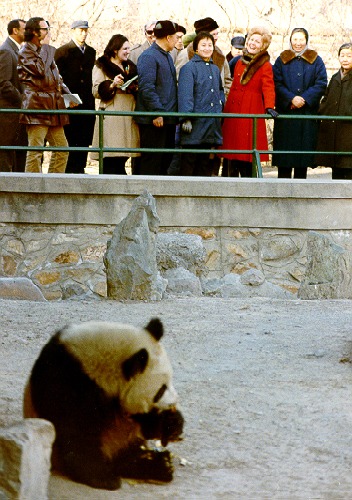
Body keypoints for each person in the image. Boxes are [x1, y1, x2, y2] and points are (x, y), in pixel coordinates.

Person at [219, 26, 277, 177]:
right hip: (234, 109)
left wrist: (269, 106)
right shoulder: (239, 61)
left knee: (246, 152)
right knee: (230, 152)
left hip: (250, 109)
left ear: (263, 46)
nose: (252, 43)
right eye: (251, 39)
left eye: (257, 41)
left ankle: (247, 183)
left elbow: (268, 87)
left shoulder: (265, 65)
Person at [18, 17, 73, 173]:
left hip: (53, 106)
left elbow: (57, 78)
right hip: (37, 105)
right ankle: (32, 189)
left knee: (62, 148)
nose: (48, 32)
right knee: (35, 151)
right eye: (45, 29)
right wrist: (47, 48)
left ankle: (53, 185)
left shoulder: (45, 51)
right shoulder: (26, 51)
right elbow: (39, 70)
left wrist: (68, 95)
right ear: (35, 32)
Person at [272, 28, 327, 179]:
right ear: (290, 40)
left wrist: (304, 99)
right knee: (285, 158)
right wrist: (291, 98)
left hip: (306, 114)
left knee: (301, 159)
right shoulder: (281, 59)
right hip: (286, 114)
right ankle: (281, 193)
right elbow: (276, 82)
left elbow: (321, 83)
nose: (298, 43)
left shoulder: (316, 59)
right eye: (295, 39)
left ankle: (300, 191)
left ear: (306, 40)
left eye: (301, 39)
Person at [90, 34, 139, 175]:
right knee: (111, 156)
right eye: (125, 48)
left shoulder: (130, 67)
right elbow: (95, 90)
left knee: (124, 155)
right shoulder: (101, 66)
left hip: (129, 114)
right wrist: (112, 84)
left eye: (129, 48)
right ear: (115, 49)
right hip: (112, 115)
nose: (128, 51)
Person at [135, 20, 179, 175]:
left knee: (164, 160)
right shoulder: (149, 57)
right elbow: (147, 88)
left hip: (167, 118)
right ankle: (147, 196)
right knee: (152, 161)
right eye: (175, 37)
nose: (177, 40)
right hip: (155, 121)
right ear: (168, 37)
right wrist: (157, 112)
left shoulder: (165, 56)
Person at [178, 32, 224, 176]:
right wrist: (186, 117)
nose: (207, 48)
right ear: (196, 48)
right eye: (203, 45)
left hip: (210, 123)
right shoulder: (189, 68)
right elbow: (186, 94)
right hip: (194, 124)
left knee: (205, 164)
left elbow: (220, 91)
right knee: (189, 163)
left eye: (210, 45)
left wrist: (220, 107)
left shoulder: (215, 69)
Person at [54, 20, 96, 174]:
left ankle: (80, 169)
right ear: (72, 31)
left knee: (84, 140)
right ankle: (69, 171)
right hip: (70, 103)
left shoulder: (91, 52)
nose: (83, 34)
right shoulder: (62, 52)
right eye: (80, 30)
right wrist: (67, 98)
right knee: (70, 139)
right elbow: (57, 79)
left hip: (87, 103)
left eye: (85, 30)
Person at [315, 43, 352, 180]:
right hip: (334, 130)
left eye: (349, 56)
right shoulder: (336, 77)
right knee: (336, 171)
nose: (345, 59)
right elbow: (327, 98)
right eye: (342, 55)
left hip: (348, 130)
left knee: (348, 169)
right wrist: (322, 112)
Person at [0, 18, 27, 172]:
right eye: (24, 29)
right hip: (8, 118)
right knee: (5, 158)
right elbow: (3, 83)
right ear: (15, 30)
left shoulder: (15, 50)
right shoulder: (6, 51)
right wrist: (23, 100)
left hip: (16, 116)